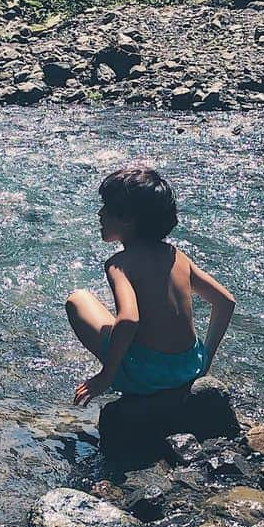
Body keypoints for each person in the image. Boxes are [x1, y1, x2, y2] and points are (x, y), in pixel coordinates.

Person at [66, 166, 236, 406]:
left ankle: (123, 373)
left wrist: (106, 376)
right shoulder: (177, 256)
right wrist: (204, 360)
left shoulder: (119, 264)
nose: (100, 213)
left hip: (146, 378)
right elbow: (226, 302)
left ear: (127, 219)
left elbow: (129, 320)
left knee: (78, 298)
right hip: (189, 368)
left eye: (107, 208)